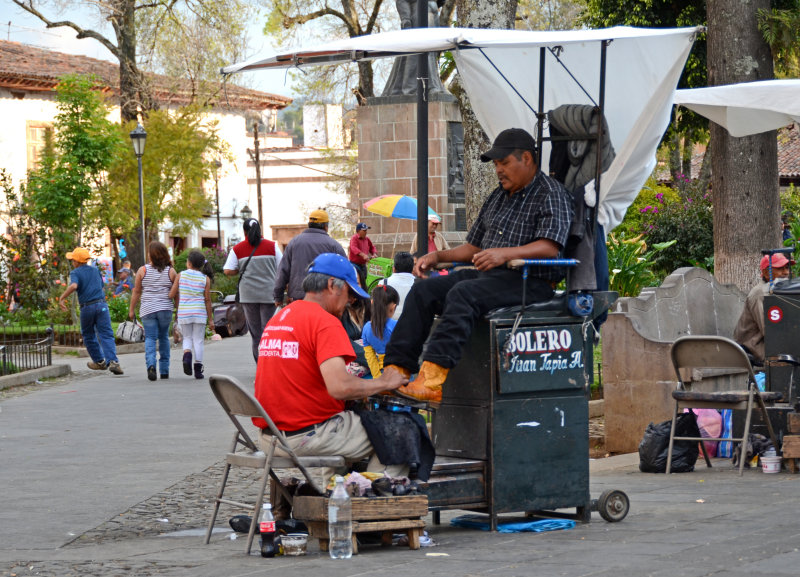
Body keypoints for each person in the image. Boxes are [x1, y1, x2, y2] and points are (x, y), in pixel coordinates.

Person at [383, 128, 573, 404]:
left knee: (463, 294)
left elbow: (550, 246)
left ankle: (432, 380)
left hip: (531, 282)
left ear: (527, 159)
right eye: (496, 164)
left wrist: (504, 255)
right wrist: (438, 257)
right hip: (491, 278)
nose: (499, 170)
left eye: (504, 163)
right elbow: (474, 248)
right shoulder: (498, 197)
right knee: (424, 291)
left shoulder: (551, 193)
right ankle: (395, 371)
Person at [254, 253, 409, 482]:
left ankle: (332, 492)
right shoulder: (325, 321)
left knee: (344, 419)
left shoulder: (281, 317)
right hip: (305, 435)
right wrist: (384, 382)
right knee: (401, 433)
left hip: (270, 435)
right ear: (331, 285)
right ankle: (366, 496)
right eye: (349, 293)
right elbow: (339, 387)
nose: (350, 302)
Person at [57, 247, 123, 375]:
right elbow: (101, 288)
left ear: (77, 261)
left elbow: (74, 286)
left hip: (87, 307)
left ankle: (99, 361)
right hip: (102, 305)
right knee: (106, 333)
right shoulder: (95, 270)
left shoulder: (75, 272)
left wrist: (62, 297)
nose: (72, 263)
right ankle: (113, 362)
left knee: (88, 334)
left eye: (72, 260)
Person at [223, 219, 281, 362]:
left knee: (255, 333)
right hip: (268, 293)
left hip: (248, 295)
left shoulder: (237, 249)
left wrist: (239, 269)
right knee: (267, 330)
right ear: (260, 230)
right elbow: (282, 266)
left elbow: (227, 270)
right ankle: (269, 364)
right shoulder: (272, 246)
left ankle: (259, 364)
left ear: (244, 232)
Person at [273, 209, 346, 306]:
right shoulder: (333, 245)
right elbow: (345, 271)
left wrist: (278, 297)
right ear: (325, 226)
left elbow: (282, 271)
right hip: (324, 299)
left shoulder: (294, 243)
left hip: (298, 299)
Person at [129, 241, 177, 381]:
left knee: (150, 338)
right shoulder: (171, 271)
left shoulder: (142, 270)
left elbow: (137, 292)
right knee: (163, 338)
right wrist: (178, 309)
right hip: (165, 309)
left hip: (148, 309)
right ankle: (164, 370)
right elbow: (176, 293)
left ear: (150, 255)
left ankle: (151, 366)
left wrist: (131, 310)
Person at [733, 253, 793, 365]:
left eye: (786, 268)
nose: (786, 272)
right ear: (766, 272)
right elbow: (770, 331)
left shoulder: (777, 291)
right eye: (780, 268)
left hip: (770, 346)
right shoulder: (760, 294)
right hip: (755, 349)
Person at [170, 250, 215, 379]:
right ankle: (198, 370)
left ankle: (187, 356)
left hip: (184, 312)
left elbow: (172, 294)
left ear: (189, 263)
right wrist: (210, 319)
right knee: (199, 340)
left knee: (187, 338)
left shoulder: (181, 275)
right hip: (199, 313)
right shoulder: (205, 279)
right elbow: (207, 299)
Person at [362, 285, 400, 378]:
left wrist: (377, 377)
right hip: (399, 373)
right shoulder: (397, 325)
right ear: (393, 307)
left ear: (372, 303)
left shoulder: (366, 328)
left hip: (381, 373)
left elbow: (370, 357)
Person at [379, 251, 415, 319]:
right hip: (411, 325)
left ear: (394, 268)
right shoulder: (418, 283)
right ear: (412, 269)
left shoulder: (383, 283)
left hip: (387, 325)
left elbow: (377, 307)